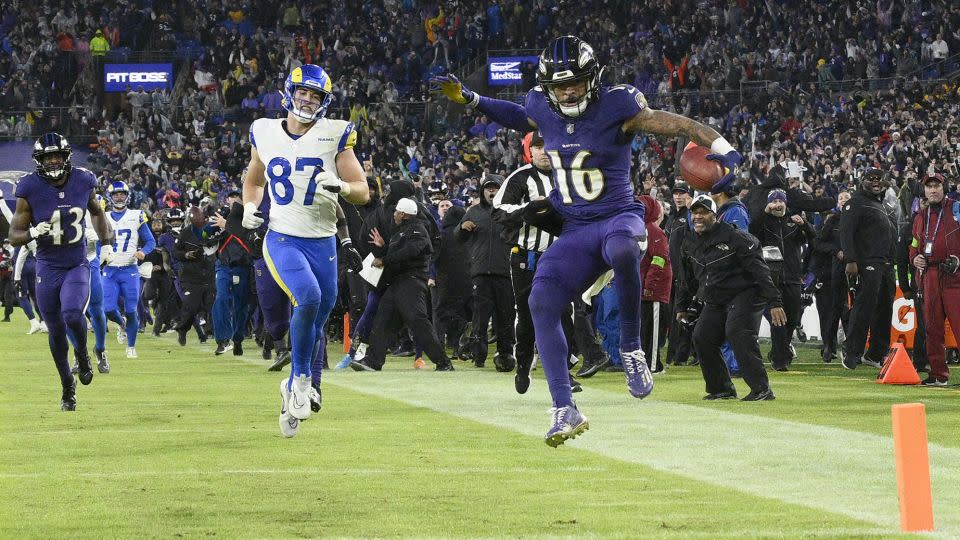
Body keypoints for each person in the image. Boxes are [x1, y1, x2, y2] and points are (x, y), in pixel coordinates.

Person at [433, 35, 744, 446]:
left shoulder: (618, 105)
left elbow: (681, 125)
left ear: (592, 77)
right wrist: (472, 99)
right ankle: (565, 407)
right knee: (540, 301)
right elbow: (515, 114)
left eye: (576, 82)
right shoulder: (541, 107)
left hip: (618, 216)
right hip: (576, 228)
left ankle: (632, 349)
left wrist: (727, 150)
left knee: (621, 250)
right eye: (560, 85)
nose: (568, 91)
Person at [241, 64, 369, 438]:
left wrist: (341, 187)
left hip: (323, 239)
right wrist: (250, 207)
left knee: (316, 318)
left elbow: (362, 189)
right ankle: (299, 381)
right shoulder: (264, 129)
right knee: (308, 298)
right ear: (289, 92)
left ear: (324, 101)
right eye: (303, 92)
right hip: (282, 237)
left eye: (315, 96)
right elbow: (254, 178)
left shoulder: (335, 134)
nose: (308, 100)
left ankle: (301, 391)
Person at [8, 133, 113, 410]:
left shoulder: (83, 179)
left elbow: (98, 212)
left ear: (66, 157)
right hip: (47, 265)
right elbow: (13, 234)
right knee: (55, 330)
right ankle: (68, 385)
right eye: (48, 157)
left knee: (71, 313)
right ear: (39, 161)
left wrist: (107, 242)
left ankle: (82, 355)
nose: (53, 162)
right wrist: (31, 231)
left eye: (57, 156)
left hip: (76, 262)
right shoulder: (29, 187)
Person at [677, 195, 785, 401]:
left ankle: (762, 389)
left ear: (714, 215)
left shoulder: (736, 237)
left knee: (738, 332)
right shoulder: (689, 242)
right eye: (695, 212)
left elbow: (761, 271)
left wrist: (774, 302)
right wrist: (682, 306)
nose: (698, 216)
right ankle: (722, 388)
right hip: (717, 298)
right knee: (702, 337)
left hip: (747, 292)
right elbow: (686, 278)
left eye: (703, 212)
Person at [350, 198, 454, 371]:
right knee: (382, 321)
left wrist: (384, 258)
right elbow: (399, 254)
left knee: (417, 321)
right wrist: (383, 248)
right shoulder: (400, 232)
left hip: (412, 282)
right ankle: (373, 362)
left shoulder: (418, 229)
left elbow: (413, 250)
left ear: (404, 215)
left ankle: (443, 362)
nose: (394, 215)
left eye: (397, 212)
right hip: (397, 283)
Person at [749, 189, 814, 371]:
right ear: (769, 204)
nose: (777, 204)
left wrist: (805, 225)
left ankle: (780, 352)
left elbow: (814, 238)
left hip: (793, 278)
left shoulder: (794, 222)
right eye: (774, 201)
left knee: (792, 319)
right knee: (778, 319)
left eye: (780, 201)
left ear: (785, 203)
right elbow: (751, 231)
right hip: (771, 279)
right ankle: (780, 360)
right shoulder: (763, 222)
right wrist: (764, 213)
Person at [839, 168, 897, 370]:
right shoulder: (855, 202)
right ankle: (851, 350)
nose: (875, 182)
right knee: (864, 307)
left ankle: (876, 353)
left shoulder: (882, 204)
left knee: (884, 310)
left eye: (879, 179)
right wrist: (851, 260)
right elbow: (845, 233)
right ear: (861, 181)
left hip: (886, 264)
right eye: (870, 179)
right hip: (867, 262)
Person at [458, 175, 516, 371]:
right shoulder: (473, 212)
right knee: (480, 316)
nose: (491, 191)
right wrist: (461, 228)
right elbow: (458, 238)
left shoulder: (510, 211)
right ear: (483, 191)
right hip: (481, 271)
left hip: (505, 271)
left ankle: (505, 354)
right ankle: (478, 353)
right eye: (488, 188)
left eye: (495, 188)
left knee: (505, 315)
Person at [908, 173, 958, 386]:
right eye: (929, 187)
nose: (933, 190)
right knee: (932, 327)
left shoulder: (956, 209)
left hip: (954, 275)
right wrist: (915, 257)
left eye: (937, 185)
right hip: (930, 276)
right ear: (924, 191)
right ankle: (938, 374)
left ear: (943, 188)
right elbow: (913, 244)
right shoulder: (920, 216)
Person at [101, 180, 155, 358]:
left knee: (131, 310)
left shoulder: (136, 215)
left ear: (127, 196)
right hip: (110, 270)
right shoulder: (103, 217)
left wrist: (142, 252)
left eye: (122, 194)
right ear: (110, 196)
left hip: (130, 270)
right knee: (108, 309)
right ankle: (121, 324)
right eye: (116, 194)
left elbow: (151, 241)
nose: (119, 197)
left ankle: (131, 347)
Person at [210, 189, 254, 356]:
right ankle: (222, 340)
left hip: (243, 266)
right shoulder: (220, 215)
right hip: (224, 265)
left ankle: (237, 338)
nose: (234, 201)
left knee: (241, 306)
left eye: (237, 198)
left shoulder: (250, 218)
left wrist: (226, 225)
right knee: (221, 298)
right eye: (231, 198)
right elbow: (207, 234)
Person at [173, 206, 214, 346]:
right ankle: (182, 329)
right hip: (190, 276)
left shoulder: (211, 231)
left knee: (211, 305)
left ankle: (212, 332)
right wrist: (185, 255)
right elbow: (175, 253)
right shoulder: (184, 233)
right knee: (191, 306)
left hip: (208, 274)